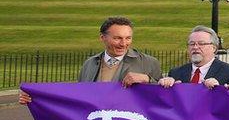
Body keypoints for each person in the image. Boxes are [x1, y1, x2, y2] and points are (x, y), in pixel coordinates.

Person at [19, 16, 162, 104]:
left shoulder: (149, 63)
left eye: (128, 38)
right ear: (102, 38)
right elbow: (78, 97)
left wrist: (148, 79)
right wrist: (36, 97)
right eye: (117, 38)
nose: (123, 43)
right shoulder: (90, 63)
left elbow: (164, 99)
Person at [159, 26, 229, 89]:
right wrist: (165, 87)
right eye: (191, 44)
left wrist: (218, 88)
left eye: (201, 43)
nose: (195, 47)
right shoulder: (175, 73)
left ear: (214, 48)